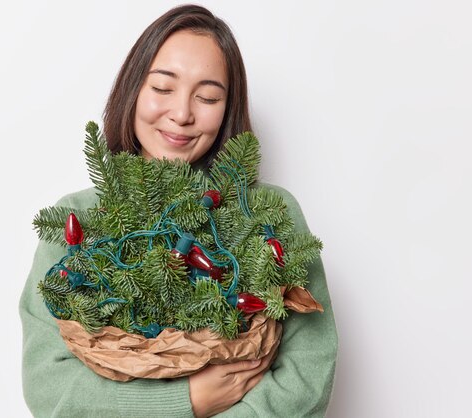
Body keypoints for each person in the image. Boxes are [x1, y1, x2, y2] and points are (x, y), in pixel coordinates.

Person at [20, 4, 337, 417]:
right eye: (163, 88)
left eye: (207, 96)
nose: (183, 113)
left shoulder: (267, 213)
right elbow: (47, 385)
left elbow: (309, 373)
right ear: (133, 89)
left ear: (227, 108)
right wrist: (186, 401)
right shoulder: (76, 218)